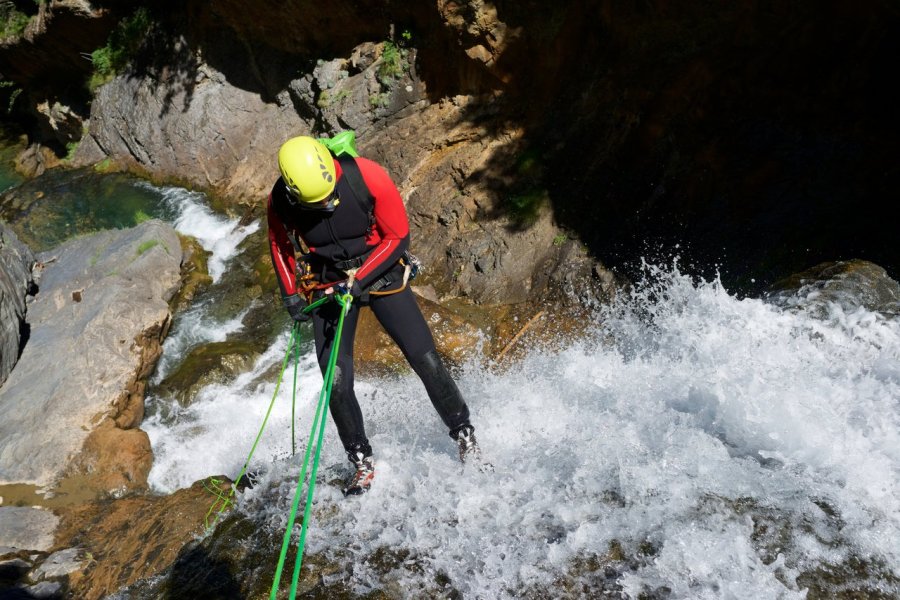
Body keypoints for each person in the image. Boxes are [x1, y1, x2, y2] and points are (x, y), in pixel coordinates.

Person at [267, 135, 482, 495]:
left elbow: (398, 236)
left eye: (328, 196)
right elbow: (279, 245)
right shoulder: (281, 201)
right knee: (335, 381)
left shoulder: (365, 175)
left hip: (379, 268)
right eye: (316, 203)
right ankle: (361, 462)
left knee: (425, 358)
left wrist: (360, 278)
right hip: (328, 282)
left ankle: (465, 436)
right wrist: (291, 295)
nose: (326, 205)